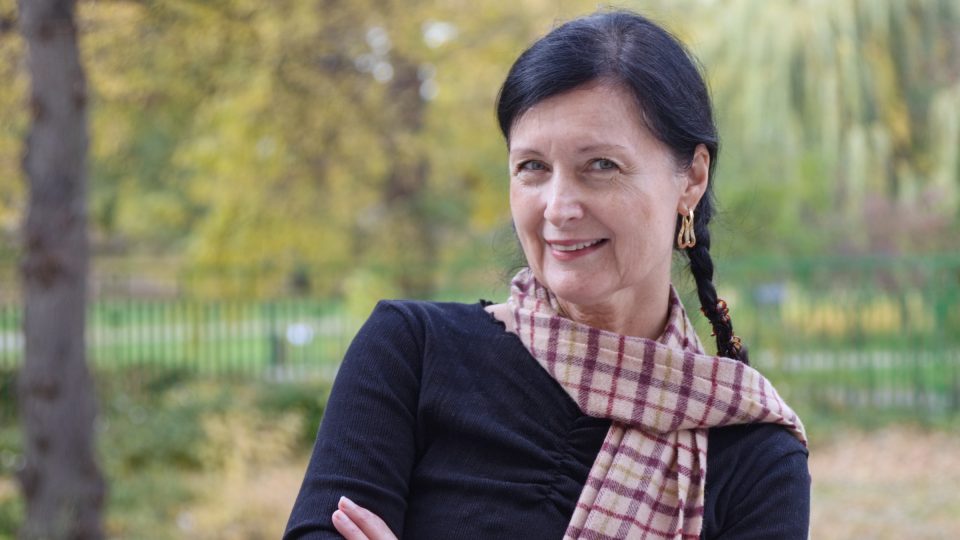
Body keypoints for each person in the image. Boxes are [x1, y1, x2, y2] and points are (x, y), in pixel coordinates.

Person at [285, 9, 809, 540]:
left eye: (601, 165)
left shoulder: (753, 458)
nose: (558, 208)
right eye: (532, 167)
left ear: (692, 177)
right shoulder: (412, 354)